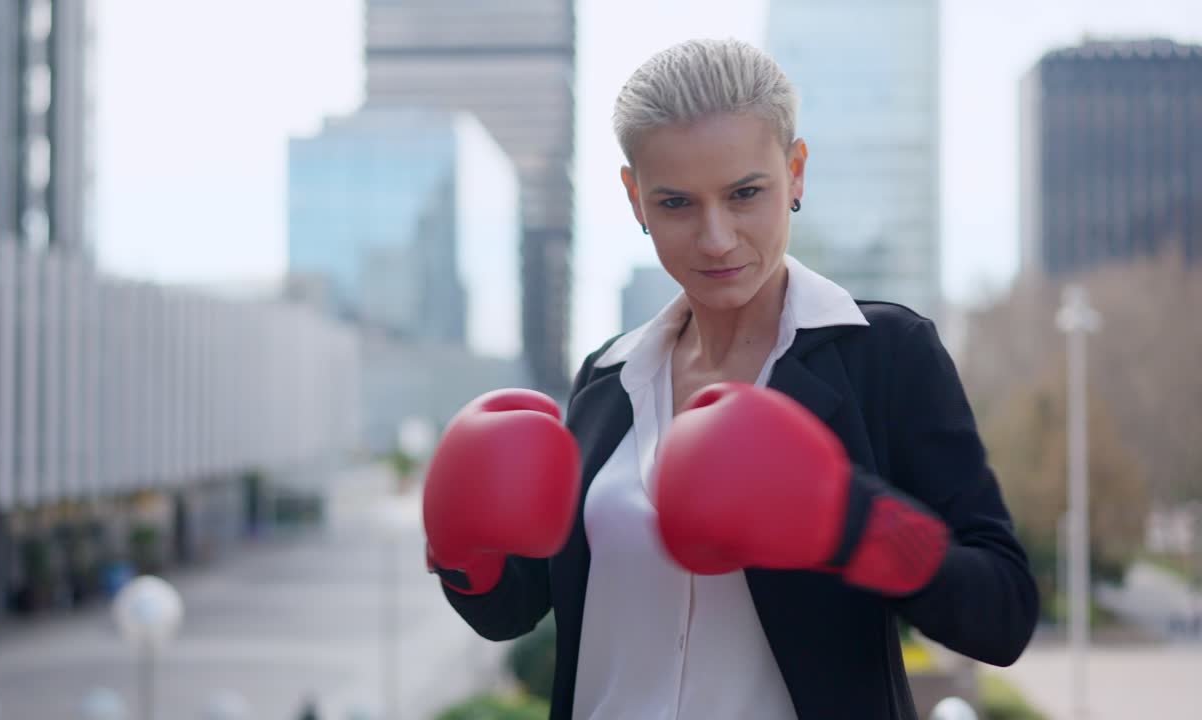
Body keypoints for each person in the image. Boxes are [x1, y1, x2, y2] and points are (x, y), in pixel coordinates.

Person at [422, 38, 1038, 719]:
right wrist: (461, 550)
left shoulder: (886, 355)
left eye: (746, 193)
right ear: (635, 198)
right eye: (677, 203)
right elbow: (516, 610)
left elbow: (1002, 614)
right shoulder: (606, 378)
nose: (716, 238)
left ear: (796, 172)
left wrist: (851, 521)